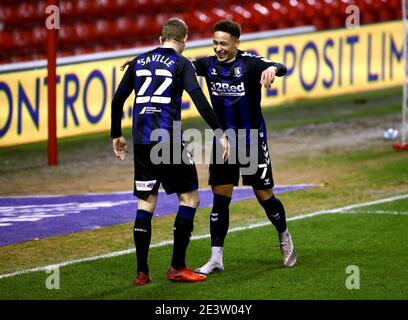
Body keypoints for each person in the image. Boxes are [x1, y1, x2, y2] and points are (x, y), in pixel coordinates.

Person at [111, 18, 229, 285]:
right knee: (189, 200)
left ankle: (142, 272)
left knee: (146, 203)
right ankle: (177, 266)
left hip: (142, 141)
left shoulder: (139, 61)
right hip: (169, 141)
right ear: (184, 39)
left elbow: (118, 100)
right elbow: (199, 100)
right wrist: (220, 132)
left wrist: (116, 135)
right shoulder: (182, 63)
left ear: (160, 38)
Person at [193, 20, 297, 275]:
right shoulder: (207, 65)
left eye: (224, 44)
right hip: (223, 142)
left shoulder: (249, 63)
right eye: (215, 43)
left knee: (264, 196)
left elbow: (281, 66)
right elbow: (178, 62)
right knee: (220, 200)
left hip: (251, 140)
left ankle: (284, 237)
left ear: (236, 43)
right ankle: (216, 257)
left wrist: (273, 68)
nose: (218, 48)